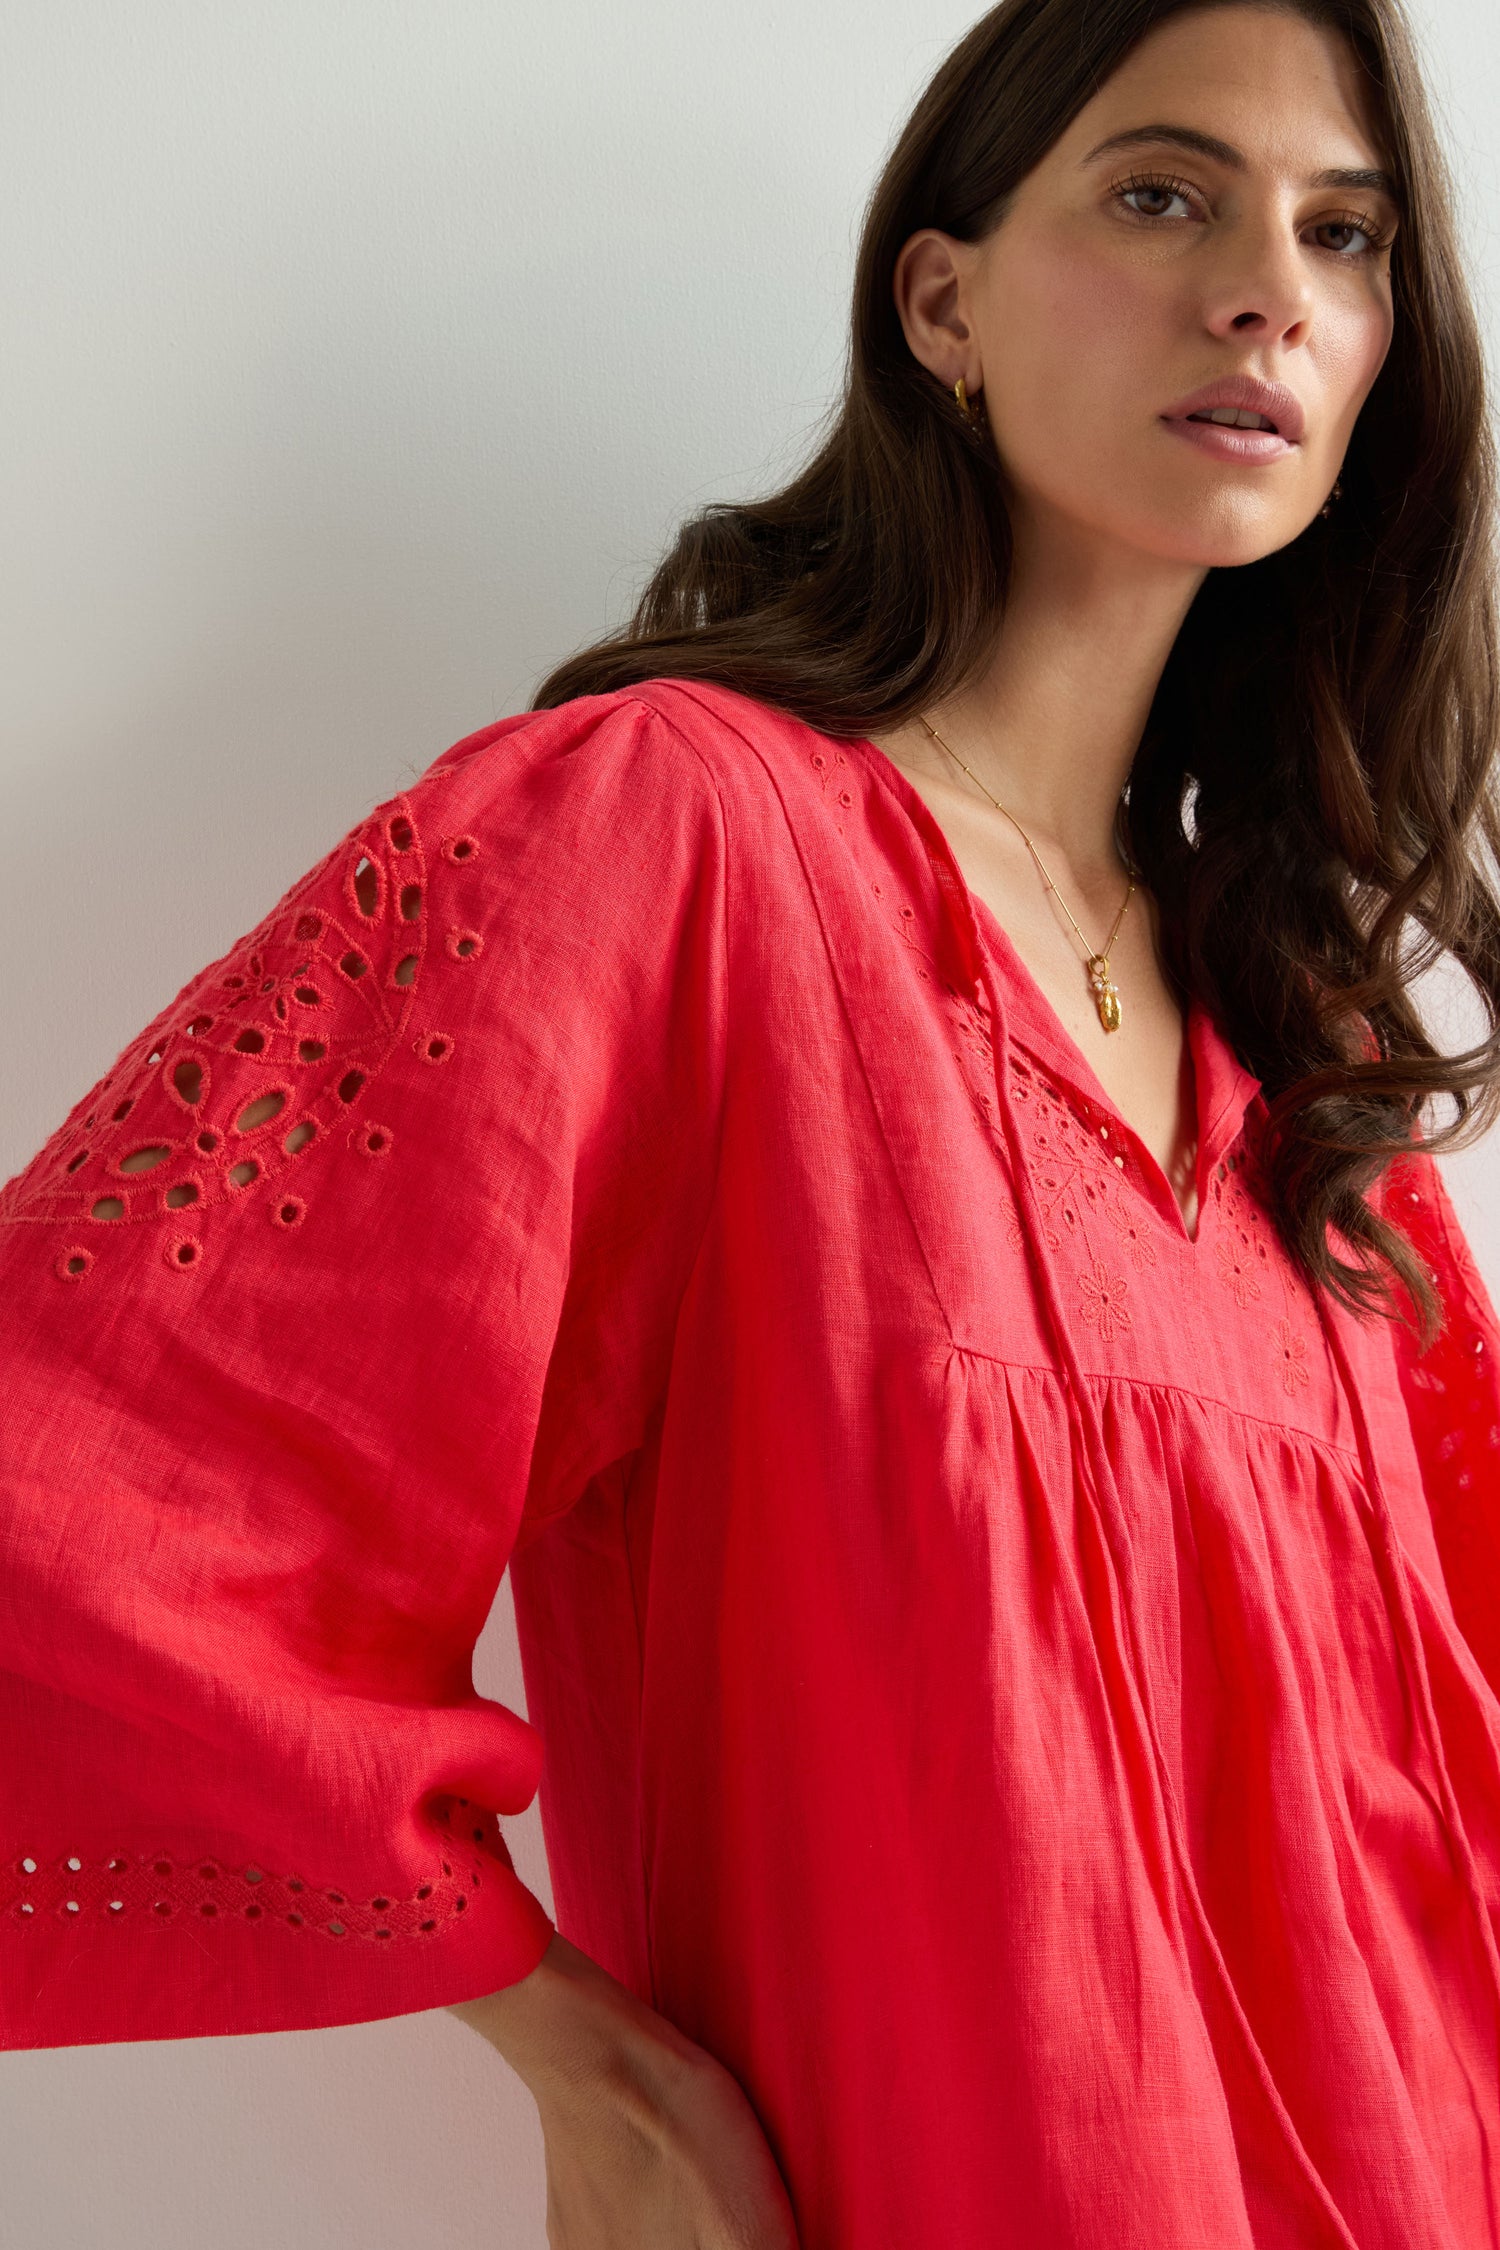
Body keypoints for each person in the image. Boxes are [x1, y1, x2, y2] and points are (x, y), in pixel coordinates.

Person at [4, 0, 1500, 2241]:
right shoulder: (666, 842)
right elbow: (82, 1487)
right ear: (944, 300)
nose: (1268, 288)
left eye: (1349, 233)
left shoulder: (1314, 1084)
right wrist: (570, 2051)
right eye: (1164, 191)